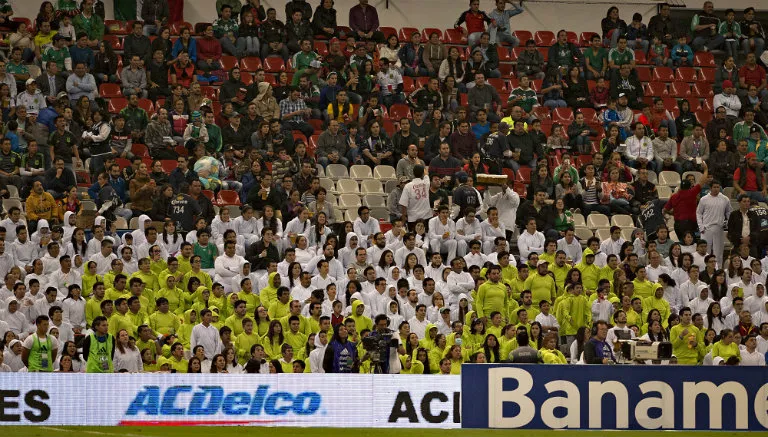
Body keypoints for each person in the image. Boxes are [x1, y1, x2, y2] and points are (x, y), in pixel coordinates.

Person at [696, 179, 732, 268]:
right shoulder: (704, 199)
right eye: (714, 187)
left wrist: (728, 223)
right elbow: (698, 213)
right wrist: (701, 227)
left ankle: (718, 269)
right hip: (706, 229)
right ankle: (704, 269)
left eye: (718, 187)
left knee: (718, 252)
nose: (716, 189)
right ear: (710, 188)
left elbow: (729, 212)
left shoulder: (725, 199)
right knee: (705, 252)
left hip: (719, 228)